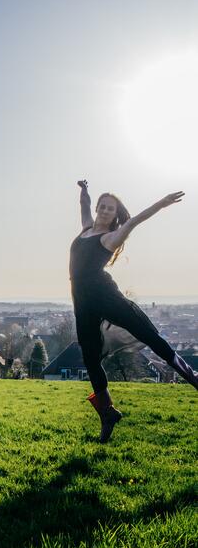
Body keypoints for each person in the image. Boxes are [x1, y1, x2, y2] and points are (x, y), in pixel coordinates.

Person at [70, 180, 197, 442]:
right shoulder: (85, 230)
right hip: (83, 305)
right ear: (97, 208)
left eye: (110, 209)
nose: (105, 211)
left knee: (149, 335)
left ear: (115, 215)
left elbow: (136, 220)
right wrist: (83, 190)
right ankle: (107, 413)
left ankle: (192, 377)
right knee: (91, 358)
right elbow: (83, 206)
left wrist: (162, 203)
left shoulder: (110, 238)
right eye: (102, 207)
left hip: (108, 299)